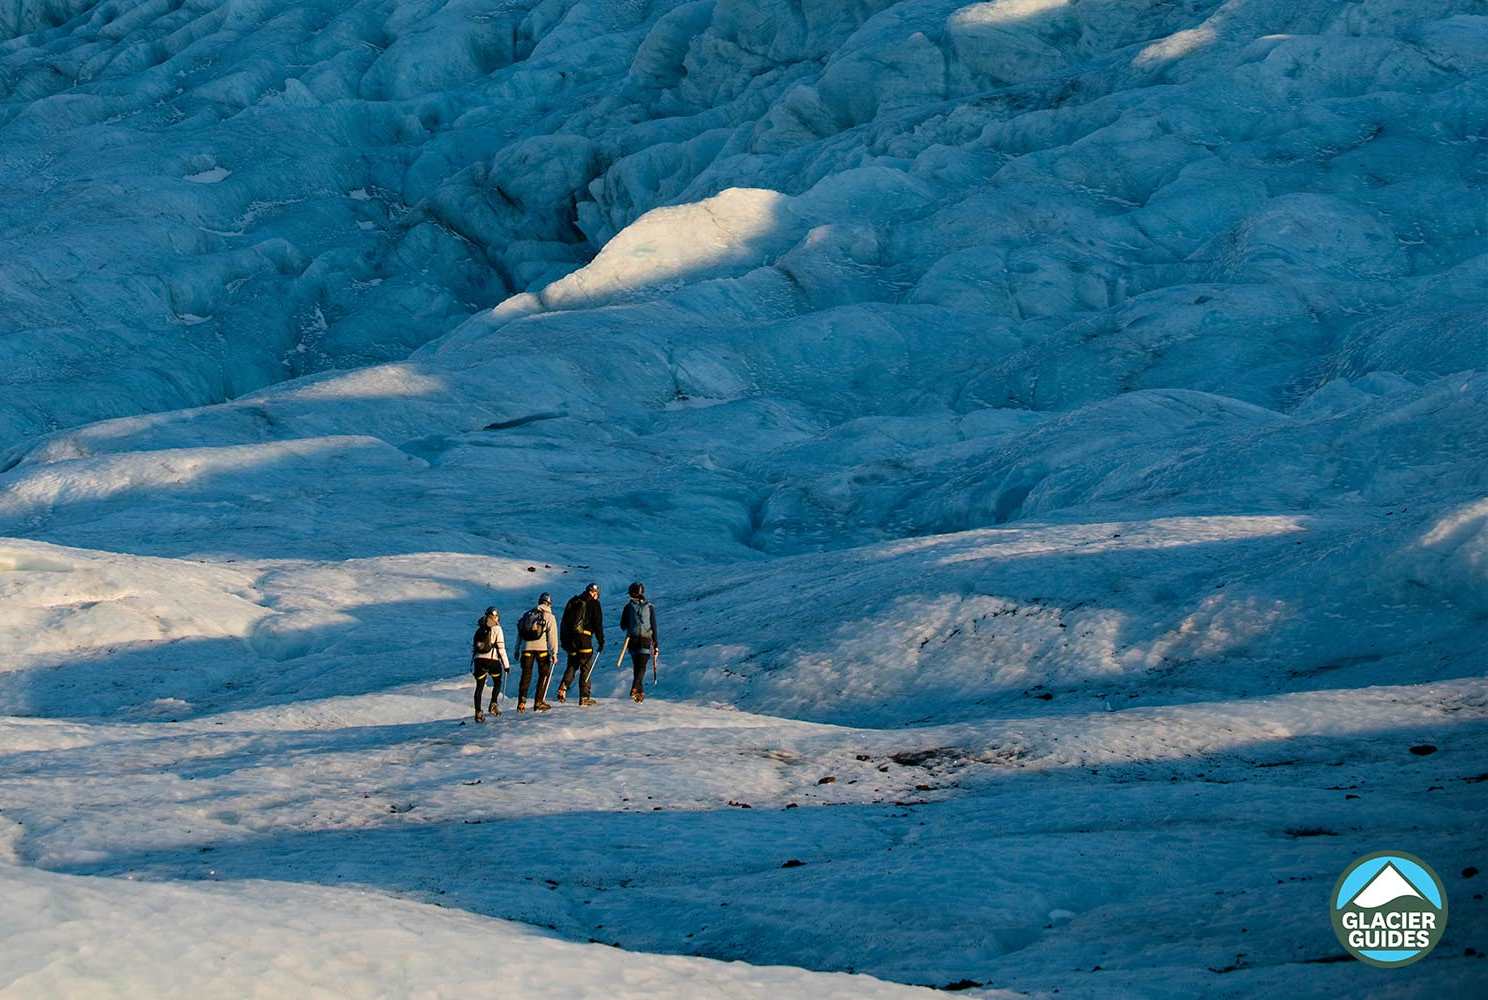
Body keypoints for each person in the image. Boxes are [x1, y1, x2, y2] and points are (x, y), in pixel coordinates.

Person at [558, 582, 604, 706]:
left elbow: (564, 622)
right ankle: (584, 696)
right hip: (585, 640)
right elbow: (598, 624)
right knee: (586, 667)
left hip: (572, 640)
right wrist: (601, 641)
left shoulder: (573, 601)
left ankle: (564, 685)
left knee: (572, 664)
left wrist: (564, 641)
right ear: (595, 593)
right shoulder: (594, 603)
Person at [515, 592, 559, 712]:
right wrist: (554, 653)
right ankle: (539, 701)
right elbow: (552, 637)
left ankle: (521, 702)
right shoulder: (549, 616)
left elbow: (520, 634)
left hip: (526, 649)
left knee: (526, 675)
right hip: (542, 650)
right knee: (543, 674)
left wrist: (517, 650)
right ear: (549, 604)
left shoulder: (527, 614)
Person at [619, 581, 658, 703]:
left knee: (637, 666)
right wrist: (656, 644)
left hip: (633, 640)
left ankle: (639, 693)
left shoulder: (628, 607)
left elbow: (623, 625)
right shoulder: (650, 607)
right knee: (642, 667)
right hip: (646, 640)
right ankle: (636, 688)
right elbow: (654, 626)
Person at [470, 607, 508, 723]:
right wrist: (506, 665)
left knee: (479, 687)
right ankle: (493, 704)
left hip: (478, 661)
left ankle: (478, 712)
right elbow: (501, 648)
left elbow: (475, 648)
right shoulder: (497, 629)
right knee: (497, 681)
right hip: (492, 660)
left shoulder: (480, 629)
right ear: (496, 617)